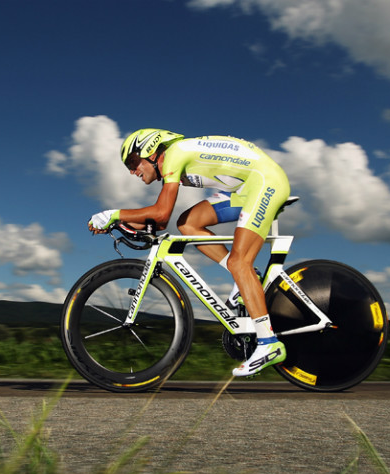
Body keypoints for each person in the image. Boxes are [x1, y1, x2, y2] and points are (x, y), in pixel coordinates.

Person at [87, 128, 291, 378]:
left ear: (151, 150)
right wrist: (119, 223)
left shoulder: (174, 154)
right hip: (246, 189)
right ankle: (249, 277)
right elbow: (161, 222)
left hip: (265, 181)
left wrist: (114, 214)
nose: (132, 171)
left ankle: (269, 343)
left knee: (240, 262)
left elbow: (161, 214)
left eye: (132, 162)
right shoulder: (174, 158)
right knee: (188, 223)